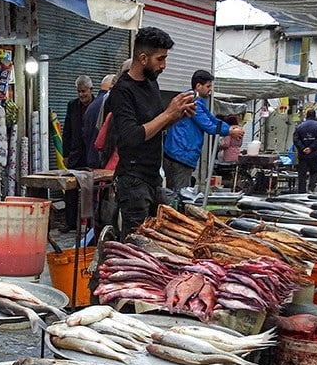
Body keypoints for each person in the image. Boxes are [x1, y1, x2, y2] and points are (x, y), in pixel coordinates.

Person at [105, 27, 195, 237]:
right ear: (143, 58)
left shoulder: (151, 83)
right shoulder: (122, 91)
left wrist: (177, 115)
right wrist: (168, 113)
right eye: (160, 59)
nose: (164, 65)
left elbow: (155, 127)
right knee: (136, 245)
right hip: (133, 180)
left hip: (153, 177)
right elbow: (132, 136)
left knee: (161, 236)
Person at [162, 69, 243, 197]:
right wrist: (229, 131)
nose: (210, 89)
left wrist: (230, 128)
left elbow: (212, 119)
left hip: (182, 155)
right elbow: (208, 126)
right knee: (180, 195)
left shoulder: (197, 100)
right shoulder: (191, 101)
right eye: (208, 86)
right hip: (179, 155)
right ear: (198, 86)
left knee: (179, 193)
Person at [60, 75, 94, 233]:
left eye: (84, 91)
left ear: (90, 90)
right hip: (75, 154)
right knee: (70, 189)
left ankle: (90, 223)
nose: (81, 95)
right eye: (79, 91)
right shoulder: (72, 106)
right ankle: (70, 222)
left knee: (90, 189)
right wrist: (65, 154)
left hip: (91, 154)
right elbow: (66, 131)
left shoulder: (98, 105)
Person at [82, 73, 115, 167]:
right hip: (105, 162)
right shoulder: (110, 103)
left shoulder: (91, 107)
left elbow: (85, 135)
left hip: (91, 159)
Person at [293, 109, 317, 193]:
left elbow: (296, 139)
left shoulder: (299, 126)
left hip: (303, 155)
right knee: (314, 172)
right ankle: (311, 189)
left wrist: (303, 148)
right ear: (315, 116)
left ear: (306, 115)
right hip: (314, 154)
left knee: (302, 173)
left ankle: (301, 191)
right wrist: (311, 148)